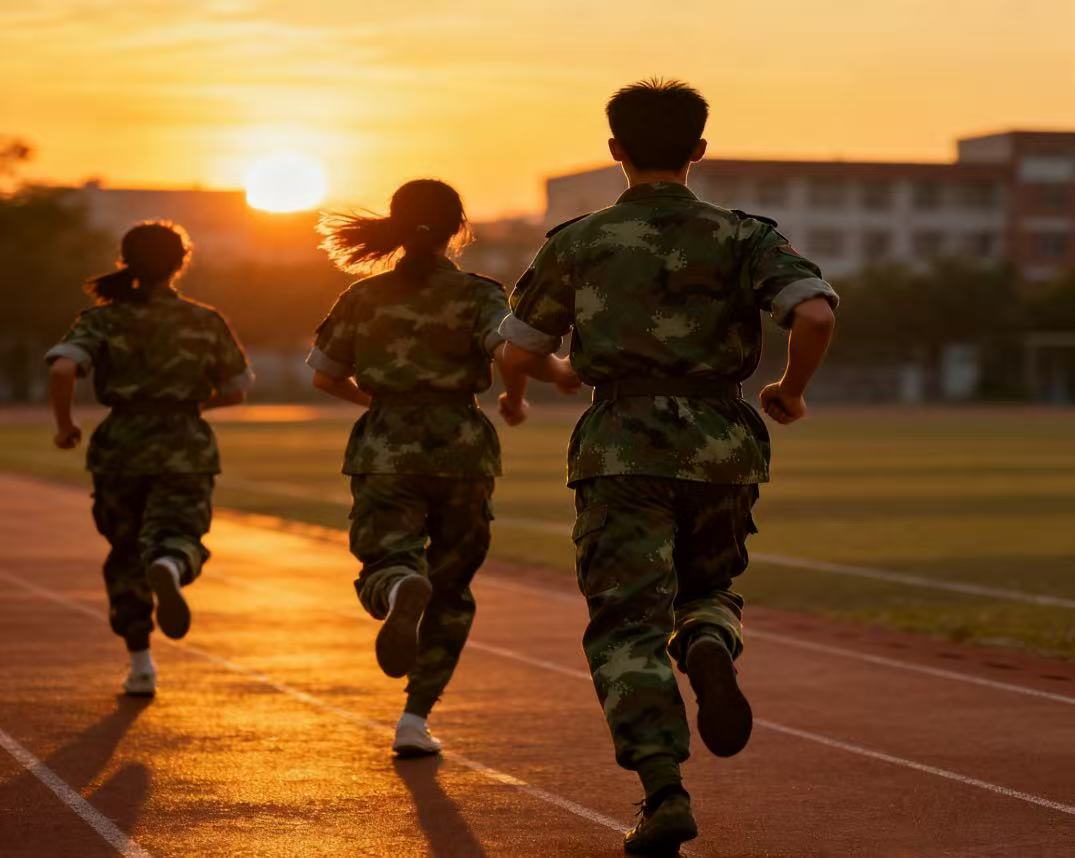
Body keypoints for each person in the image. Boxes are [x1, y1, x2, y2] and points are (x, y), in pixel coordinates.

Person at [498, 79, 838, 854]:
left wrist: (537, 379)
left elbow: (518, 346)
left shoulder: (578, 241)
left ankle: (662, 791)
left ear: (614, 150)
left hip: (620, 446)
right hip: (722, 441)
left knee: (625, 624)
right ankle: (709, 641)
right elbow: (814, 312)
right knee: (708, 587)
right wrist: (788, 388)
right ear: (698, 151)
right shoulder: (745, 235)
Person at [308, 179, 577, 757]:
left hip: (385, 447)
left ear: (396, 224)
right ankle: (415, 716)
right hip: (461, 449)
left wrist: (378, 404)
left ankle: (399, 586)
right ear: (460, 227)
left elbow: (325, 376)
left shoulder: (363, 297)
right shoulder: (479, 295)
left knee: (385, 557)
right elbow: (513, 352)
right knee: (452, 591)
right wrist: (538, 385)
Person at [45, 221, 253, 698]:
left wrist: (64, 426)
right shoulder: (205, 320)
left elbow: (62, 368)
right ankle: (172, 565)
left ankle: (141, 665)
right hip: (185, 445)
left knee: (124, 553)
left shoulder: (100, 320)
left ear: (125, 260)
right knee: (180, 534)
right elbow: (238, 389)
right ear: (181, 262)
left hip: (120, 447)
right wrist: (191, 405)